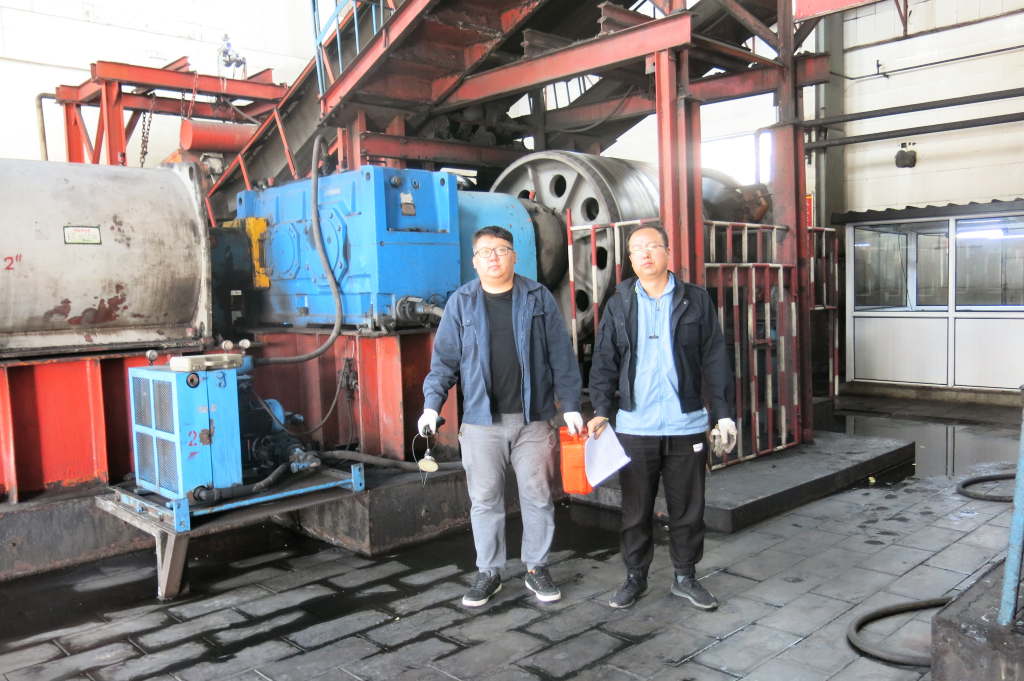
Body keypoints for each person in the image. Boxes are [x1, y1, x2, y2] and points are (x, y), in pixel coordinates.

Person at [419, 225, 583, 607]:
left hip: (533, 419)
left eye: (501, 250)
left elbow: (561, 356)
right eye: (485, 252)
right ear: (475, 261)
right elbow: (444, 362)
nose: (493, 257)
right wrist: (431, 405)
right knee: (485, 499)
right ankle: (488, 572)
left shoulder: (537, 297)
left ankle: (536, 568)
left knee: (538, 496)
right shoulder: (461, 303)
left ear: (514, 256)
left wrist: (571, 404)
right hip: (481, 422)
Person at [587, 224, 737, 610]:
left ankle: (685, 576)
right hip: (635, 425)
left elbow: (715, 357)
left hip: (686, 423)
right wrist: (601, 411)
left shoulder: (695, 300)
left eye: (653, 246)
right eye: (637, 249)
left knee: (688, 508)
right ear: (630, 259)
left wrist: (723, 414)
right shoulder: (619, 301)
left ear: (668, 253)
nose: (645, 254)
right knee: (635, 510)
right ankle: (635, 577)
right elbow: (604, 360)